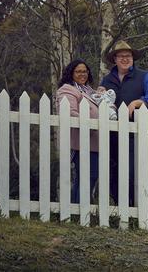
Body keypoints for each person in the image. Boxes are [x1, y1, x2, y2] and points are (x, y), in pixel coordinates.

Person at [100, 40, 148, 205]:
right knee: (113, 171)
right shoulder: (106, 80)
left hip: (134, 135)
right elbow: (102, 102)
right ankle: (117, 207)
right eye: (121, 56)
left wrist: (137, 102)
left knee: (131, 172)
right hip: (111, 134)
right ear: (114, 59)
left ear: (133, 58)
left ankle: (132, 207)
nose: (125, 59)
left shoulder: (145, 77)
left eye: (128, 56)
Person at [55, 59, 100, 204]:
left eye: (85, 71)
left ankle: (79, 209)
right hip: (81, 143)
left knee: (89, 177)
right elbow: (69, 113)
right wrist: (91, 125)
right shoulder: (67, 89)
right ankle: (79, 209)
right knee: (87, 176)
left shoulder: (88, 90)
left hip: (95, 143)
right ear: (71, 73)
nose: (83, 74)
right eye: (78, 71)